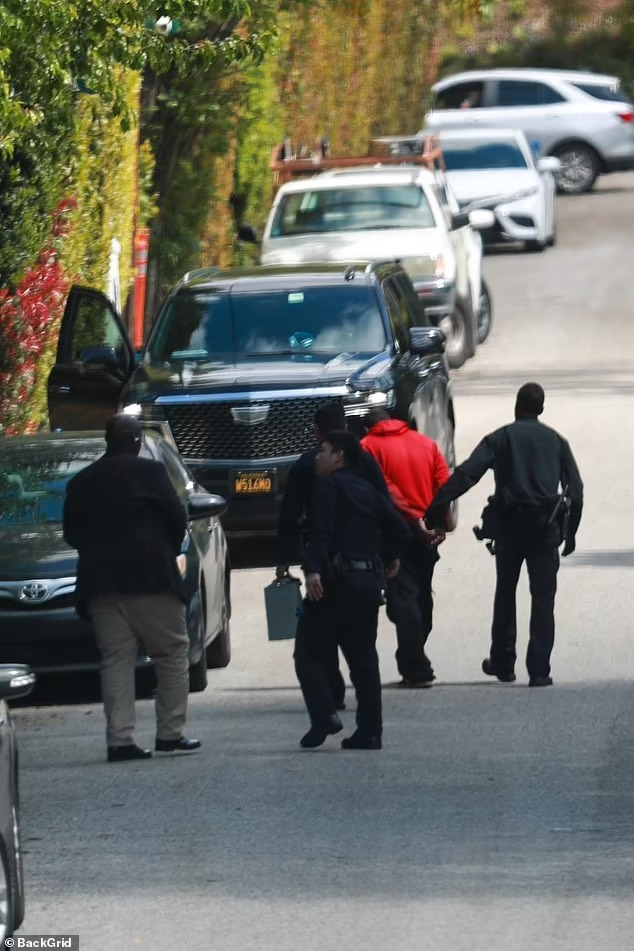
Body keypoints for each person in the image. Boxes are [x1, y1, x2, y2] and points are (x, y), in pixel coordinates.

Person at [425, 383, 583, 687]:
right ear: (541, 409)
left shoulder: (501, 438)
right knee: (543, 598)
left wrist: (437, 506)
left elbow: (468, 474)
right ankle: (539, 670)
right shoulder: (556, 441)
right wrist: (571, 533)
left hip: (510, 528)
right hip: (545, 530)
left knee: (505, 592)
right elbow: (576, 491)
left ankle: (503, 662)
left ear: (517, 405)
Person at [63, 414, 201, 762]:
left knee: (115, 660)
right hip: (151, 579)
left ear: (107, 441)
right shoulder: (152, 473)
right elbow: (176, 518)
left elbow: (71, 534)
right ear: (137, 441)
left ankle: (119, 740)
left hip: (101, 584)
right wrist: (165, 551)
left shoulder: (82, 482)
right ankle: (170, 733)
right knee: (172, 653)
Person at [276, 401, 389, 715]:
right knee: (362, 642)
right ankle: (369, 718)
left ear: (316, 432)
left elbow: (290, 514)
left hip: (324, 564)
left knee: (318, 635)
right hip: (365, 562)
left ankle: (332, 694)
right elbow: (385, 506)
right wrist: (389, 554)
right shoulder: (365, 461)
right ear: (347, 427)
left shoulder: (307, 465)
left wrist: (284, 558)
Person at [299, 430, 410, 751]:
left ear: (339, 456)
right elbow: (399, 529)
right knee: (363, 660)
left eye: (323, 450)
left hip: (336, 583)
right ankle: (370, 731)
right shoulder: (368, 490)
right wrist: (389, 558)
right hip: (368, 583)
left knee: (307, 652)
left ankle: (324, 716)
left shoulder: (327, 486)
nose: (318, 456)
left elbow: (320, 529)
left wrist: (313, 569)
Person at [362, 409, 452, 687]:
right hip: (428, 534)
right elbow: (444, 483)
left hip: (394, 532)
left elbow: (386, 489)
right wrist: (441, 522)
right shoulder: (426, 443)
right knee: (422, 594)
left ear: (368, 427)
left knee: (403, 599)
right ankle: (413, 657)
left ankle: (415, 667)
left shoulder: (367, 447)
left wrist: (414, 519)